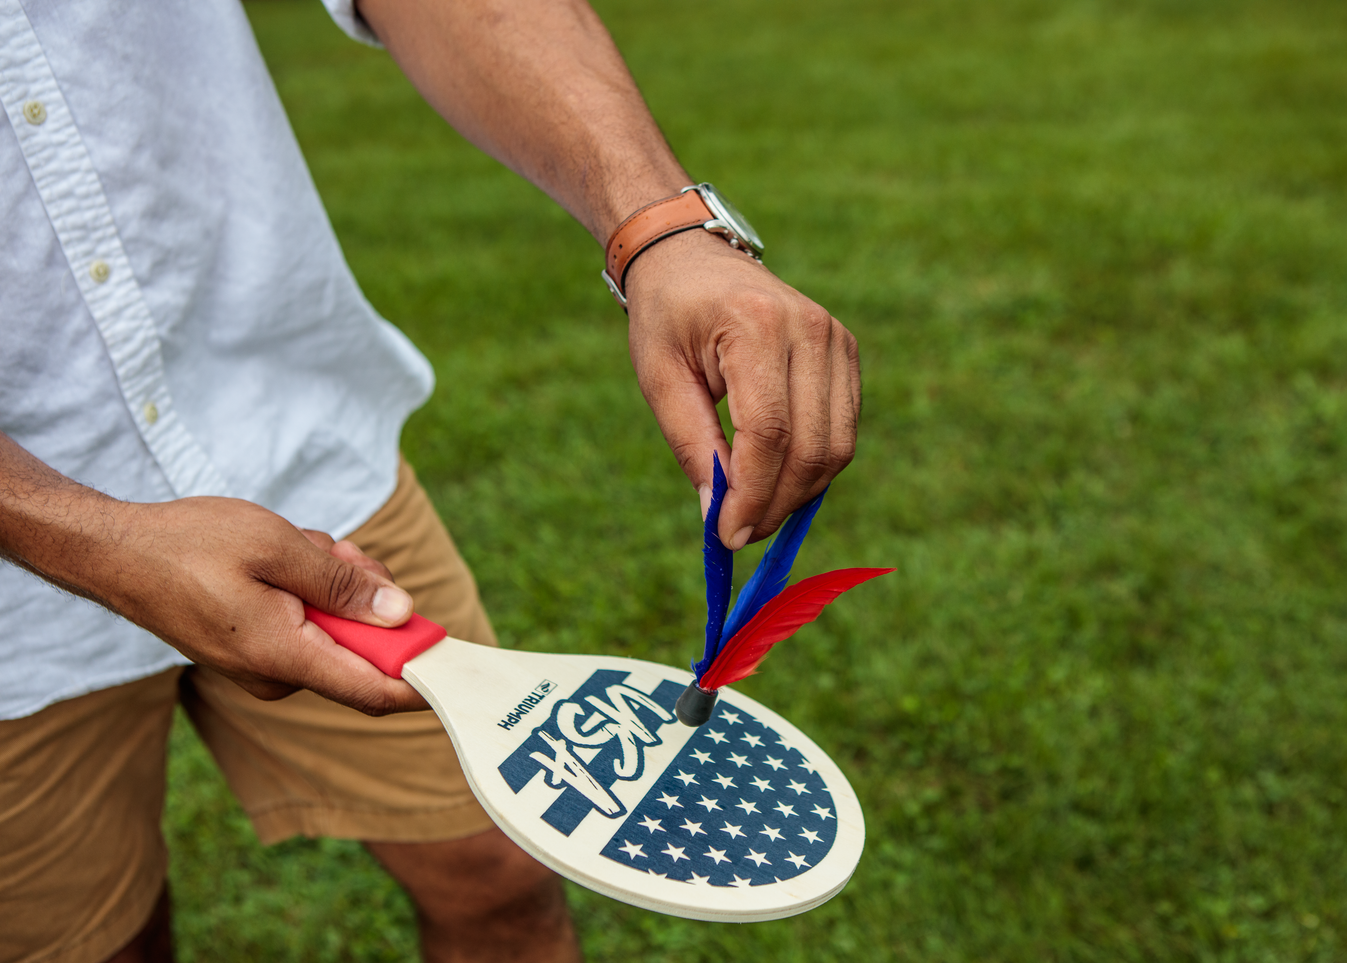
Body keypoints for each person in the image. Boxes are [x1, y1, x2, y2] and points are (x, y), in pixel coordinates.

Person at [0, 0, 860, 960]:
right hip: (12, 616)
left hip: (299, 454)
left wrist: (661, 229)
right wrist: (77, 533)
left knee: (497, 880)